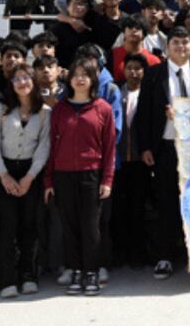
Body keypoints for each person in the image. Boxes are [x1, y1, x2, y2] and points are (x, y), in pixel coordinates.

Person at [134, 27, 190, 280]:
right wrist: (146, 147)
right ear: (168, 46)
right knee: (166, 201)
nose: (181, 47)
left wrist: (185, 115)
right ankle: (165, 256)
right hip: (166, 147)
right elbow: (143, 114)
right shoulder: (153, 74)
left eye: (185, 43)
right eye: (176, 43)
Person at [43, 58, 116, 297]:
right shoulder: (60, 109)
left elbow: (109, 148)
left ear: (93, 79)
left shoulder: (103, 108)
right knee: (69, 225)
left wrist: (107, 179)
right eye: (76, 74)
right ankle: (75, 269)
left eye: (86, 74)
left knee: (90, 226)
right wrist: (49, 181)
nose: (81, 78)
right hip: (63, 174)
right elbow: (51, 147)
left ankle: (91, 271)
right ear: (69, 78)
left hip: (91, 174)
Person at [0, 63, 50, 299]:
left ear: (33, 82)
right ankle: (7, 279)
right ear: (11, 84)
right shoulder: (1, 109)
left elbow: (44, 146)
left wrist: (30, 177)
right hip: (5, 169)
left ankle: (29, 275)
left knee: (30, 226)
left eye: (26, 78)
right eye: (17, 79)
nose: (22, 82)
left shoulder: (44, 111)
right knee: (7, 225)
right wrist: (3, 174)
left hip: (31, 171)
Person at [112, 54, 151, 268]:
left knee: (138, 207)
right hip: (118, 161)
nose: (134, 72)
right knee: (119, 208)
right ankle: (119, 252)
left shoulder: (148, 93)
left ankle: (137, 252)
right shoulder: (116, 92)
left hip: (140, 160)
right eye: (130, 68)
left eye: (138, 68)